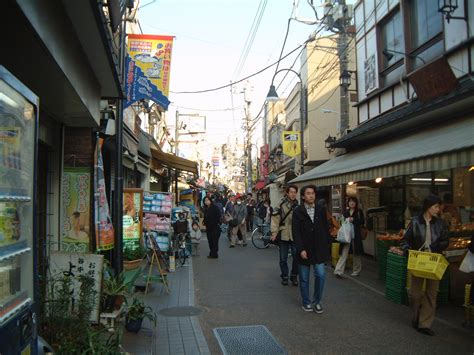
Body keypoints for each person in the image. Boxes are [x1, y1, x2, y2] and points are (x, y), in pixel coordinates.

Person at [401, 194, 449, 336]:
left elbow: (446, 240)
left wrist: (436, 247)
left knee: (431, 293)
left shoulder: (440, 223)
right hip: (419, 260)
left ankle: (425, 324)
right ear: (428, 207)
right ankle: (416, 316)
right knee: (415, 294)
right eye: (435, 207)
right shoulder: (415, 222)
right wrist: (409, 251)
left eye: (438, 207)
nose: (438, 210)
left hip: (434, 260)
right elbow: (405, 240)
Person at [292, 185, 331, 314]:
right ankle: (306, 302)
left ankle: (317, 301)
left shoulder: (320, 209)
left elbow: (325, 228)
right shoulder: (298, 211)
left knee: (320, 275)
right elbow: (296, 232)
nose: (311, 196)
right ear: (303, 196)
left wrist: (326, 245)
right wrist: (300, 249)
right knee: (304, 278)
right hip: (304, 249)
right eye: (308, 193)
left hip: (319, 249)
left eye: (313, 193)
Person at [271, 185, 299, 286]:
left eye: (294, 192)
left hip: (296, 234)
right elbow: (275, 219)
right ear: (287, 193)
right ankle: (285, 276)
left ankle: (294, 275)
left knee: (297, 257)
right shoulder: (281, 204)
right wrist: (274, 233)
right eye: (291, 192)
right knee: (283, 258)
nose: (293, 194)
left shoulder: (299, 205)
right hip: (283, 233)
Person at [334, 196, 365, 278]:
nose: (352, 203)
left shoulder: (359, 212)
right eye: (350, 201)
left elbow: (362, 221)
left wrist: (353, 220)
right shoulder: (345, 212)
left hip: (356, 236)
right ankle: (338, 271)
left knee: (356, 254)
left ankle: (356, 270)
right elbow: (341, 222)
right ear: (348, 203)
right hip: (346, 236)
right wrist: (344, 220)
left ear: (356, 203)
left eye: (353, 201)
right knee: (343, 253)